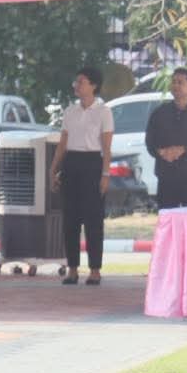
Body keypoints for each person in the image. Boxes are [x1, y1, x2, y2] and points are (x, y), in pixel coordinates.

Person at [47, 67, 113, 285]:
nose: (77, 85)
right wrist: (54, 168)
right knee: (70, 219)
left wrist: (105, 173)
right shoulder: (70, 112)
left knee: (93, 220)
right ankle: (72, 269)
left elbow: (106, 145)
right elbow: (63, 143)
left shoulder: (103, 111)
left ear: (93, 85)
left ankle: (95, 269)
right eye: (76, 82)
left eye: (81, 82)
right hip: (72, 163)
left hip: (92, 163)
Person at [145, 67, 187, 209]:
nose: (175, 85)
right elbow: (150, 142)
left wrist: (185, 150)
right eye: (173, 82)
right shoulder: (160, 113)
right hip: (166, 177)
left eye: (180, 82)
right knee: (168, 219)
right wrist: (161, 152)